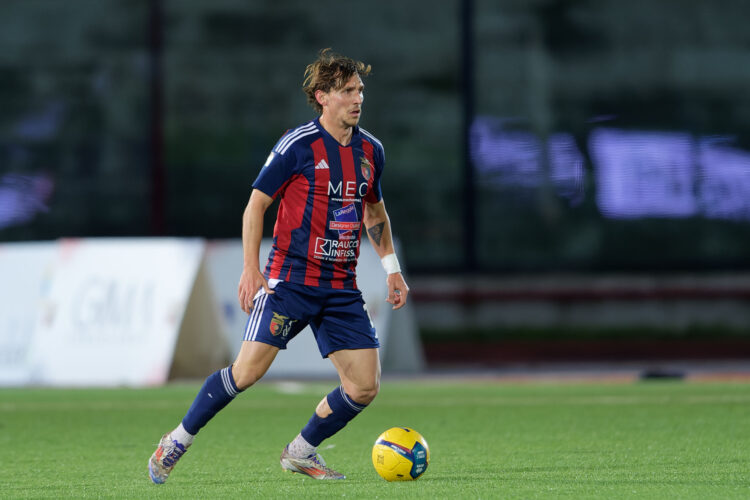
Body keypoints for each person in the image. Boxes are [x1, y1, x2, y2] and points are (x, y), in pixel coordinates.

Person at [148, 48, 409, 483]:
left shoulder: (371, 151)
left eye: (360, 90)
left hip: (340, 287)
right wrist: (251, 268)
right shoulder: (298, 145)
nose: (358, 99)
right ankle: (176, 439)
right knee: (246, 372)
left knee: (364, 386)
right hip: (290, 282)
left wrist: (391, 268)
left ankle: (301, 451)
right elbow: (256, 206)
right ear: (322, 96)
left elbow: (374, 211)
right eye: (348, 91)